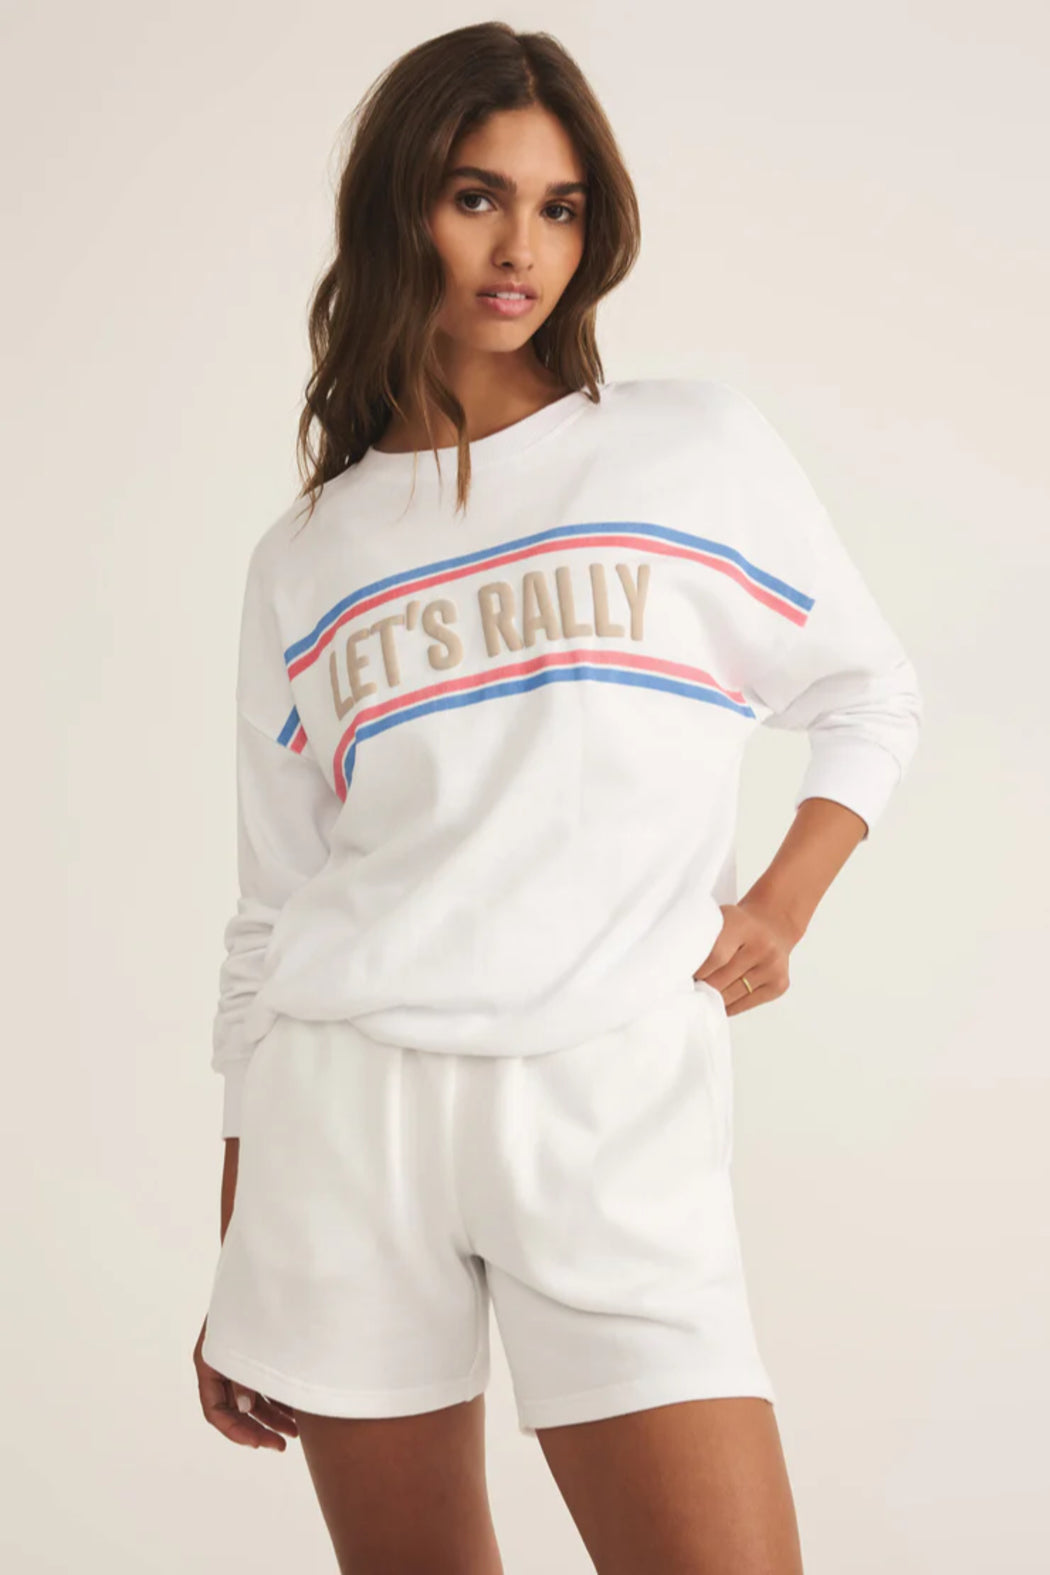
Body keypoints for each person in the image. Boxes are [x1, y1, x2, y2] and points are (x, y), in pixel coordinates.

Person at [192, 20, 922, 1574]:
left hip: (606, 1100)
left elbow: (867, 693)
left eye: (559, 206)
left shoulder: (682, 448)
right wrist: (241, 1238)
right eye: (476, 196)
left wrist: (781, 908)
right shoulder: (303, 556)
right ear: (399, 205)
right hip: (346, 1120)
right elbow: (272, 913)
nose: (519, 247)